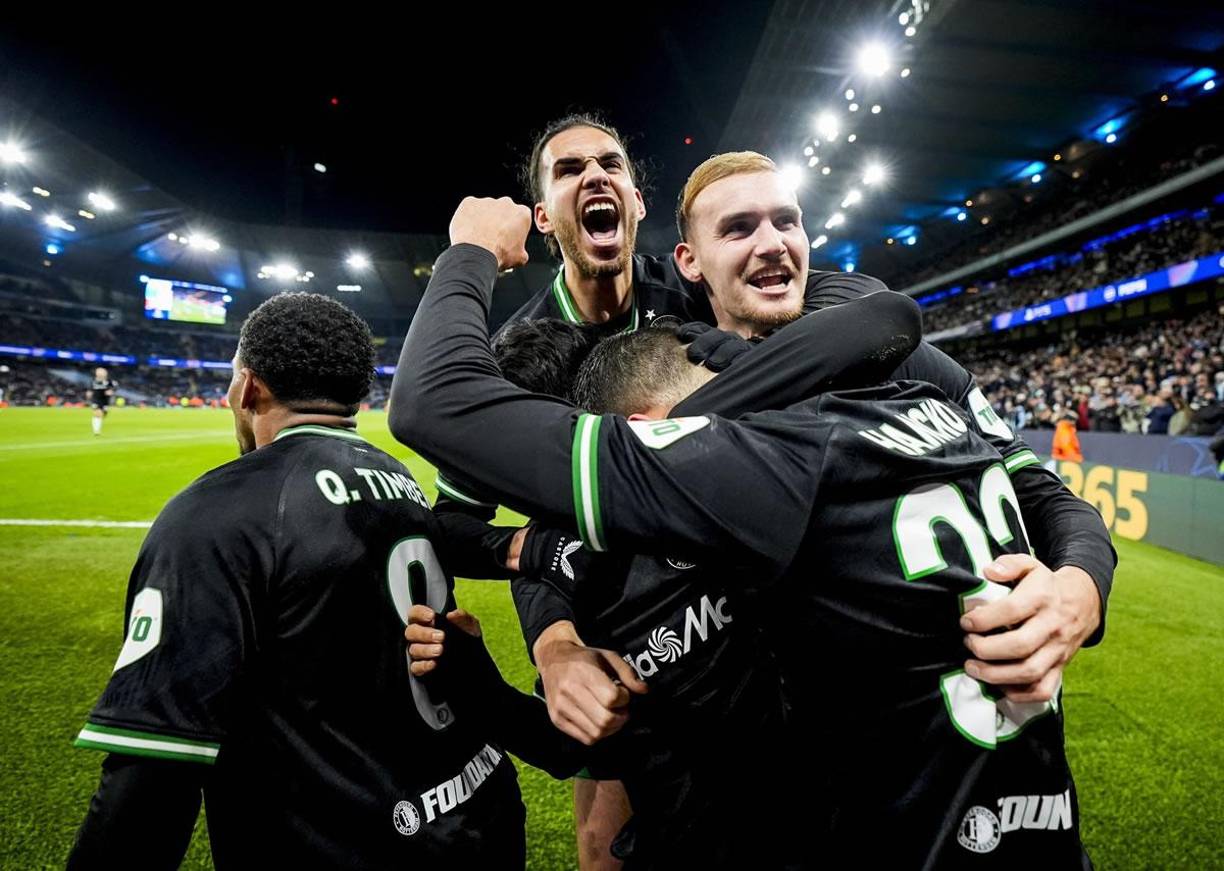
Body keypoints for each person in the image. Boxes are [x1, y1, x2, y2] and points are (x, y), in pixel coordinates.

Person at [389, 200, 1091, 867]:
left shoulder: (751, 478)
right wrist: (518, 649)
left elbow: (889, 315)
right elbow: (614, 743)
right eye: (739, 226)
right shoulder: (625, 554)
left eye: (786, 220)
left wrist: (472, 249)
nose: (769, 242)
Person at [68, 292, 578, 870]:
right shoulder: (399, 479)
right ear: (357, 394)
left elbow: (152, 780)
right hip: (477, 810)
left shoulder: (216, 511)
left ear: (248, 387)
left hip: (353, 845)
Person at [88, 366, 117, 435]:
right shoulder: (93, 381)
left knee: (103, 415)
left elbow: (116, 386)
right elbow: (90, 388)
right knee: (97, 413)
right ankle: (96, 431)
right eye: (99, 372)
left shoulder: (109, 381)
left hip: (105, 400)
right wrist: (89, 393)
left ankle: (97, 428)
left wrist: (111, 391)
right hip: (96, 399)